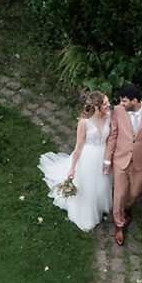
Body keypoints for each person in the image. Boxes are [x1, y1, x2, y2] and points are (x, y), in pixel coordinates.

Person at [39, 91, 113, 231]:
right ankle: (86, 214)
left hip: (103, 155)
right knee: (88, 187)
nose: (109, 105)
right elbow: (78, 147)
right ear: (97, 107)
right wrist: (72, 168)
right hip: (88, 157)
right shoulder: (84, 122)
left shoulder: (109, 116)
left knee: (102, 184)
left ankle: (99, 205)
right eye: (105, 103)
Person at [103, 83, 142, 246]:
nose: (120, 104)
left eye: (124, 101)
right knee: (119, 194)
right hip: (120, 159)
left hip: (141, 162)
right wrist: (107, 159)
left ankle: (126, 209)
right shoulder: (117, 112)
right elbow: (113, 136)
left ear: (134, 100)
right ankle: (119, 224)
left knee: (134, 192)